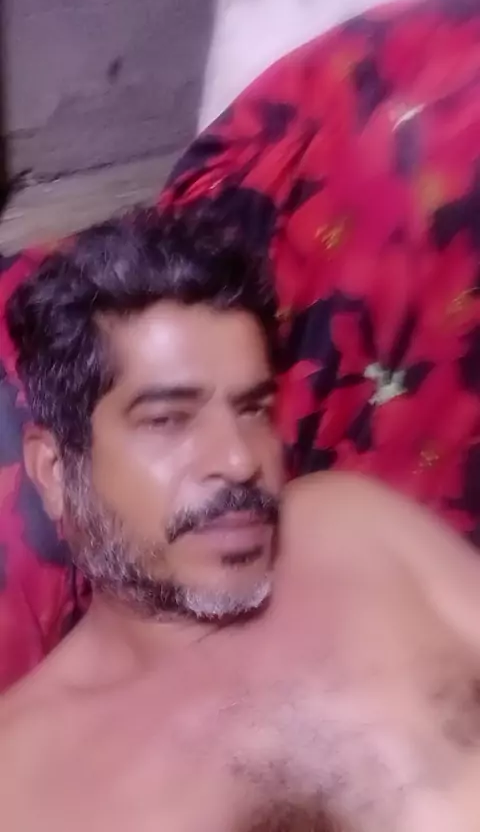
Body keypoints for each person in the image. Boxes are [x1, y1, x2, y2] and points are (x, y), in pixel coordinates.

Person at [2, 208, 480, 832]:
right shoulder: (23, 776)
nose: (239, 460)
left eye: (253, 409)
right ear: (56, 472)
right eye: (168, 420)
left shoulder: (357, 529)